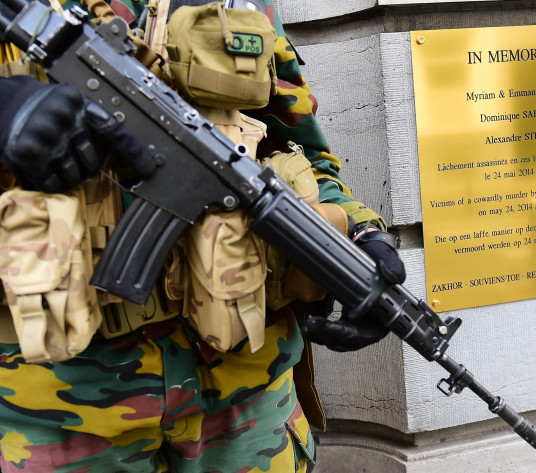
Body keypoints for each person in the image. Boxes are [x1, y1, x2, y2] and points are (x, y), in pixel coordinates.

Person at [0, 0, 404, 471]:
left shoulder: (239, 8)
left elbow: (296, 153)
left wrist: (357, 237)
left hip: (248, 397)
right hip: (56, 412)